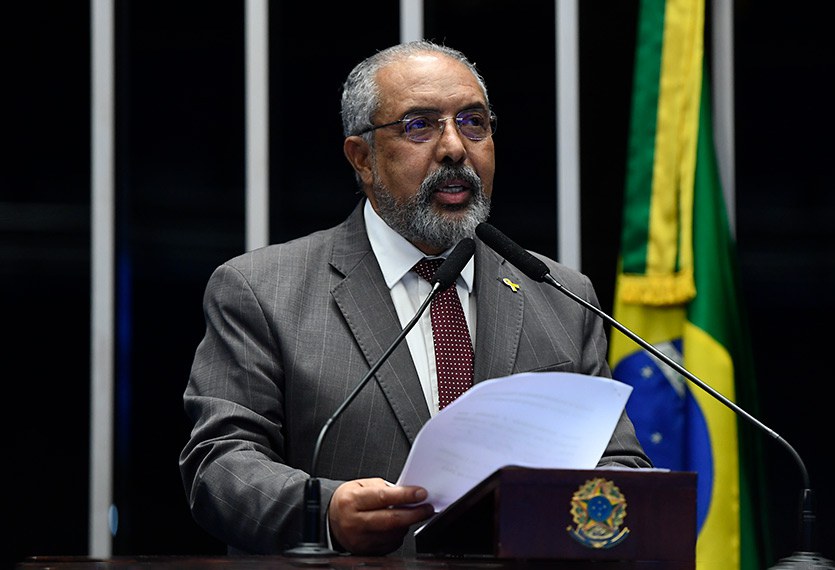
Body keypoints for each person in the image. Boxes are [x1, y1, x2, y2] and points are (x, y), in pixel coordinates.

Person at [179, 39, 652, 558]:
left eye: (473, 123)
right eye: (419, 125)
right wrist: (326, 512)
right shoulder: (264, 290)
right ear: (361, 158)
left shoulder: (559, 295)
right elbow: (220, 464)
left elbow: (618, 465)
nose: (454, 148)